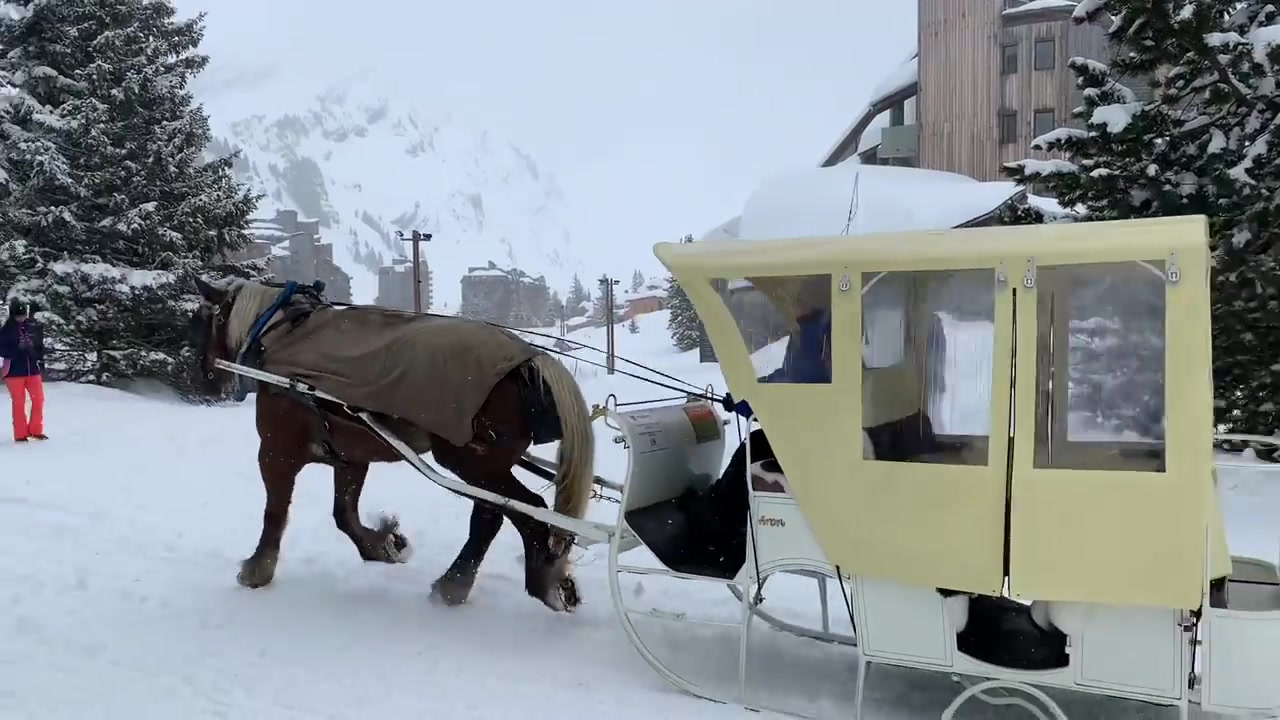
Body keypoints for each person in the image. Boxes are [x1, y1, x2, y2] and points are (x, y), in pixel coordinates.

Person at [0, 298, 47, 442]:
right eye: (18, 316)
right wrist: (16, 350)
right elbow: (2, 350)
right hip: (14, 372)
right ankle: (20, 434)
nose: (21, 318)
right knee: (18, 402)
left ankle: (35, 430)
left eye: (23, 315)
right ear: (12, 315)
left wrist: (38, 357)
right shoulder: (5, 331)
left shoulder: (31, 327)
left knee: (38, 399)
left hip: (32, 370)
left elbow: (38, 345)